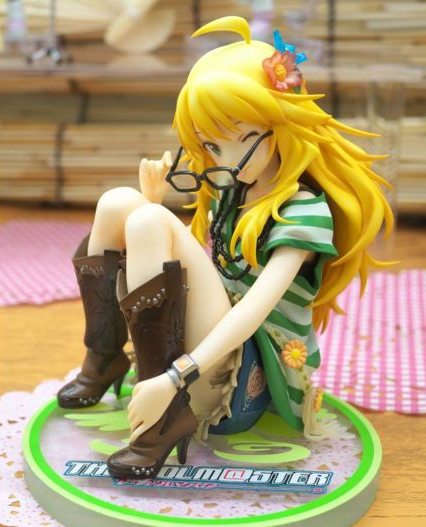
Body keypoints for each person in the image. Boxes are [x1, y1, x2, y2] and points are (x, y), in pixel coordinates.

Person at [57, 16, 394, 479]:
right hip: (195, 352)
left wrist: (173, 378)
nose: (225, 160)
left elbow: (251, 311)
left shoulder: (304, 211)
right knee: (119, 202)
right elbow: (199, 274)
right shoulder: (231, 190)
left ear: (282, 128)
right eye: (212, 146)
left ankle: (163, 420)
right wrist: (149, 208)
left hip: (235, 378)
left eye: (242, 139)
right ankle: (103, 357)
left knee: (151, 219)